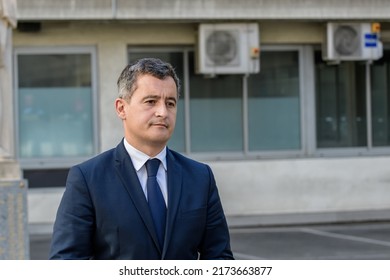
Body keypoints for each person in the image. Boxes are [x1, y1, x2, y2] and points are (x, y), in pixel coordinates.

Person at [49, 57, 234, 260]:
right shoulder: (88, 179)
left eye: (170, 103)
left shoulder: (200, 177)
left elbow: (220, 258)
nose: (163, 112)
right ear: (121, 108)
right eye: (151, 102)